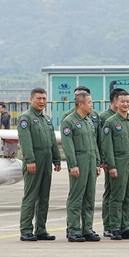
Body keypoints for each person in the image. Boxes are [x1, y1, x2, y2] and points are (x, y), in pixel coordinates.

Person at [17, 88, 61, 241]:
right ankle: (26, 230)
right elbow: (26, 142)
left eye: (44, 99)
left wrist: (56, 159)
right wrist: (30, 160)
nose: (42, 101)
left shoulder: (46, 119)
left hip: (46, 160)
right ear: (31, 100)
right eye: (38, 98)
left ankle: (41, 229)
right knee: (31, 196)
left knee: (44, 197)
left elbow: (52, 140)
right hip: (34, 160)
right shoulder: (26, 118)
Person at [101, 90, 129, 240]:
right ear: (116, 103)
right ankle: (114, 227)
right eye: (122, 101)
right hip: (119, 163)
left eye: (127, 101)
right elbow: (107, 147)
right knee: (117, 196)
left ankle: (125, 227)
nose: (125, 104)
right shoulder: (110, 123)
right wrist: (112, 166)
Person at [61, 92, 102, 242]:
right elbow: (68, 146)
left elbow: (94, 143)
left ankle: (87, 229)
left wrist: (97, 162)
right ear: (80, 104)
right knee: (76, 197)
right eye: (89, 103)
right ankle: (73, 229)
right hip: (79, 161)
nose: (92, 105)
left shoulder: (89, 121)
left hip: (91, 161)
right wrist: (73, 164)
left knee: (89, 197)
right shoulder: (69, 122)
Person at [99, 87, 125, 238]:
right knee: (110, 192)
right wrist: (104, 160)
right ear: (116, 101)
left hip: (123, 161)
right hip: (111, 160)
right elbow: (101, 140)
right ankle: (108, 224)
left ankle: (120, 225)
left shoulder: (125, 118)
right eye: (122, 100)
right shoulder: (105, 118)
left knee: (121, 193)